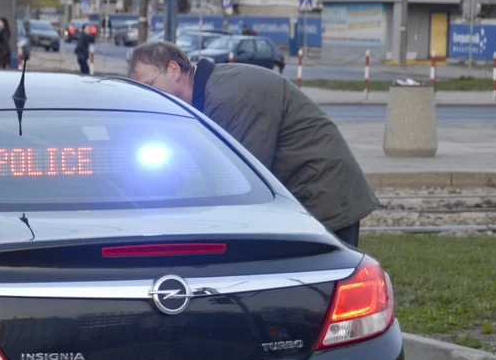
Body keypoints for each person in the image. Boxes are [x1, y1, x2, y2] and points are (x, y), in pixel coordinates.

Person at [127, 41, 378, 247]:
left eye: (148, 86)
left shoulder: (229, 97)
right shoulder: (210, 96)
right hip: (306, 197)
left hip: (325, 195)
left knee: (326, 290)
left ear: (173, 70)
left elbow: (242, 181)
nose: (147, 97)